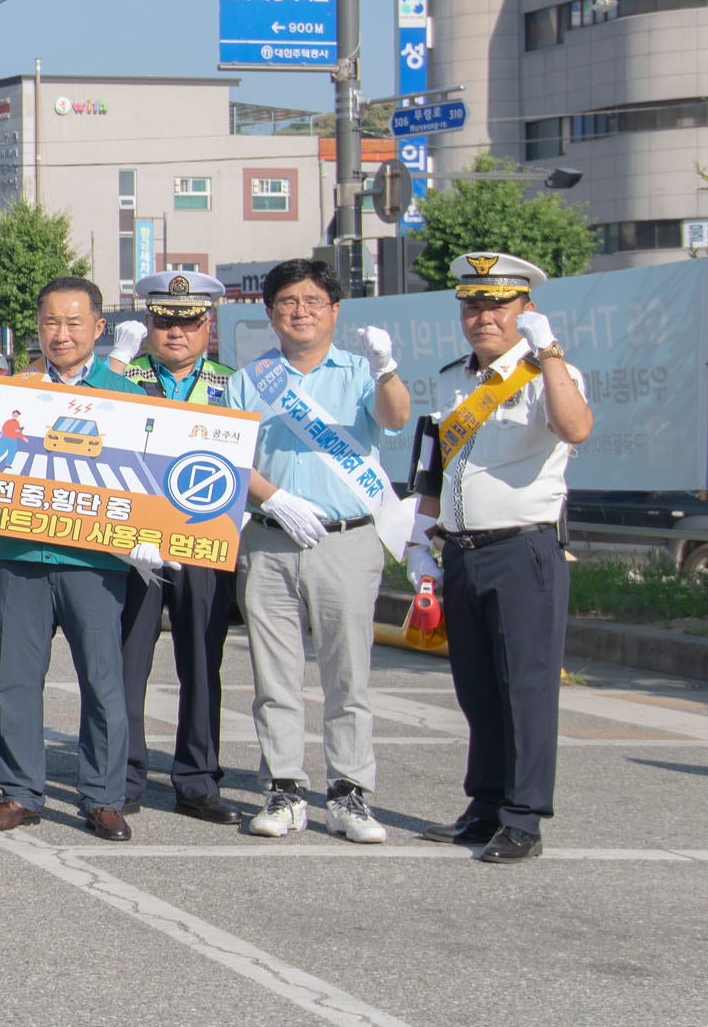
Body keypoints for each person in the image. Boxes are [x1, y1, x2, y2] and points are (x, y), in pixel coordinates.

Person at [412, 253, 593, 863]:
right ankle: (486, 804)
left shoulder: (548, 372)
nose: (483, 316)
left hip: (523, 550)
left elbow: (575, 428)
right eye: (472, 304)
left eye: (498, 305)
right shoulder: (452, 378)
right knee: (477, 689)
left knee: (527, 689)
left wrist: (550, 352)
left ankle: (524, 817)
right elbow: (434, 466)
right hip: (463, 552)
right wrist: (420, 543)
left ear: (527, 310)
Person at [234, 258, 412, 845]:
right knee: (273, 675)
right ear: (270, 312)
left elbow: (395, 418)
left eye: (313, 301)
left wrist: (387, 370)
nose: (301, 311)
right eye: (288, 301)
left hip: (346, 540)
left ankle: (349, 792)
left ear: (334, 310)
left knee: (348, 673)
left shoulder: (361, 372)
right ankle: (284, 789)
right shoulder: (249, 380)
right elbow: (229, 456)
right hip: (270, 538)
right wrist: (275, 498)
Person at [0, 277, 144, 841]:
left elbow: (148, 475)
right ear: (37, 327)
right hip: (22, 553)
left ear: (98, 327)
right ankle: (19, 792)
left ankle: (104, 797)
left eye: (73, 322)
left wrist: (150, 532)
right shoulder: (11, 392)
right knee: (16, 680)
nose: (61, 333)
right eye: (50, 322)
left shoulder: (126, 394)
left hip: (97, 561)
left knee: (103, 681)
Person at [106, 268, 246, 822]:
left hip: (205, 539)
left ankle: (197, 780)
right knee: (127, 662)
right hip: (134, 542)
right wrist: (115, 364)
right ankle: (123, 774)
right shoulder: (123, 373)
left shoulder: (233, 384)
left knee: (202, 660)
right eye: (165, 320)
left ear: (209, 324)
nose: (176, 332)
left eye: (189, 322)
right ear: (148, 322)